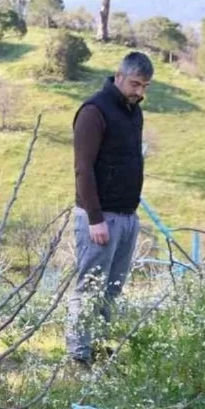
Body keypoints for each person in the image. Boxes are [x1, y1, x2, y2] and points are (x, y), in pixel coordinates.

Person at [65, 51, 152, 365]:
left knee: (112, 288)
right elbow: (83, 169)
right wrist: (95, 218)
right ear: (119, 75)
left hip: (127, 217)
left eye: (144, 87)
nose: (139, 92)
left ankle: (99, 348)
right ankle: (78, 355)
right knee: (89, 287)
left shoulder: (133, 112)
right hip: (100, 218)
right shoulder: (93, 111)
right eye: (135, 84)